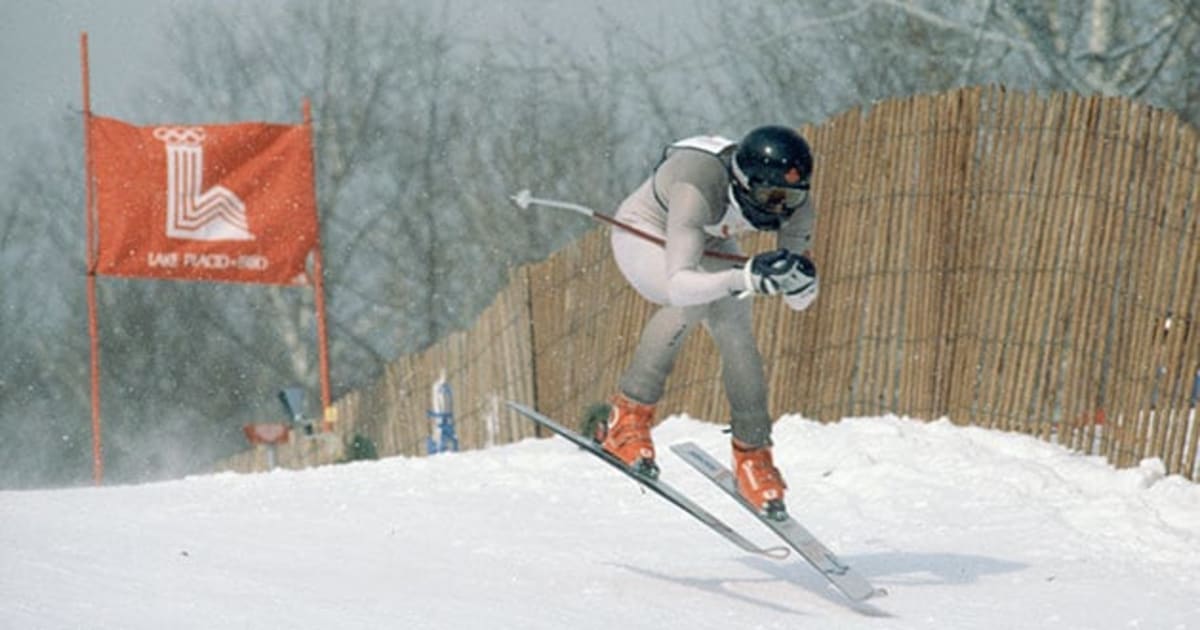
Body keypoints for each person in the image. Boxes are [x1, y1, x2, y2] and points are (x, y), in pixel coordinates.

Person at [589, 125, 818, 521]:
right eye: (770, 196)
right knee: (693, 304)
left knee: (736, 329)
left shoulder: (797, 206)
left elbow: (799, 304)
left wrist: (801, 281)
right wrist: (743, 278)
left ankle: (753, 453)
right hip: (650, 229)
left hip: (707, 238)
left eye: (792, 197)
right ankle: (627, 417)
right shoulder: (700, 181)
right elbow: (679, 285)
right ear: (744, 183)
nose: (780, 208)